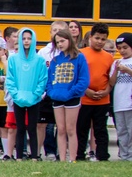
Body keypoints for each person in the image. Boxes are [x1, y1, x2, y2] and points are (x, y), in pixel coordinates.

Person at [46, 29, 89, 162]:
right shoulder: (55, 60)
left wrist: (71, 93)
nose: (60, 44)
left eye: (62, 41)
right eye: (57, 42)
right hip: (57, 98)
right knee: (61, 129)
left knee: (71, 129)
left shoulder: (79, 57)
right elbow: (49, 80)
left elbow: (84, 80)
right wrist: (52, 93)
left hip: (72, 98)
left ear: (70, 40)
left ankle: (73, 158)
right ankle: (63, 159)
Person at [5, 27, 48, 160]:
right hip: (18, 98)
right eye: (24, 38)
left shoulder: (39, 60)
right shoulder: (13, 59)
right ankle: (18, 157)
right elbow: (10, 78)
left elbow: (43, 78)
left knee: (32, 128)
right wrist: (15, 94)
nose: (26, 41)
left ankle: (34, 156)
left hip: (34, 98)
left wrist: (37, 94)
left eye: (29, 38)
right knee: (20, 127)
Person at [76, 23, 114, 162]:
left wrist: (106, 92)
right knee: (82, 129)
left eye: (103, 39)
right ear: (90, 37)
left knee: (101, 130)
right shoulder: (81, 54)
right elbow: (76, 77)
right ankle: (79, 155)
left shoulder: (109, 57)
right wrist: (87, 91)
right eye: (97, 38)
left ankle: (102, 156)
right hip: (84, 99)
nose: (99, 42)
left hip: (102, 100)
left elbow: (110, 79)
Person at [36, 21, 69, 159]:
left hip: (63, 91)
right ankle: (40, 152)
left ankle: (61, 153)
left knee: (62, 125)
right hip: (46, 91)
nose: (56, 32)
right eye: (54, 30)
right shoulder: (44, 52)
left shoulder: (67, 52)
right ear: (50, 33)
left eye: (60, 30)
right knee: (43, 124)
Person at [109, 33, 132, 161]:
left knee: (131, 131)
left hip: (130, 102)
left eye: (125, 47)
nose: (122, 50)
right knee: (122, 131)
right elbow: (111, 83)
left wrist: (127, 70)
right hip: (119, 102)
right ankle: (124, 155)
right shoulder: (117, 63)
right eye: (119, 48)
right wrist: (117, 70)